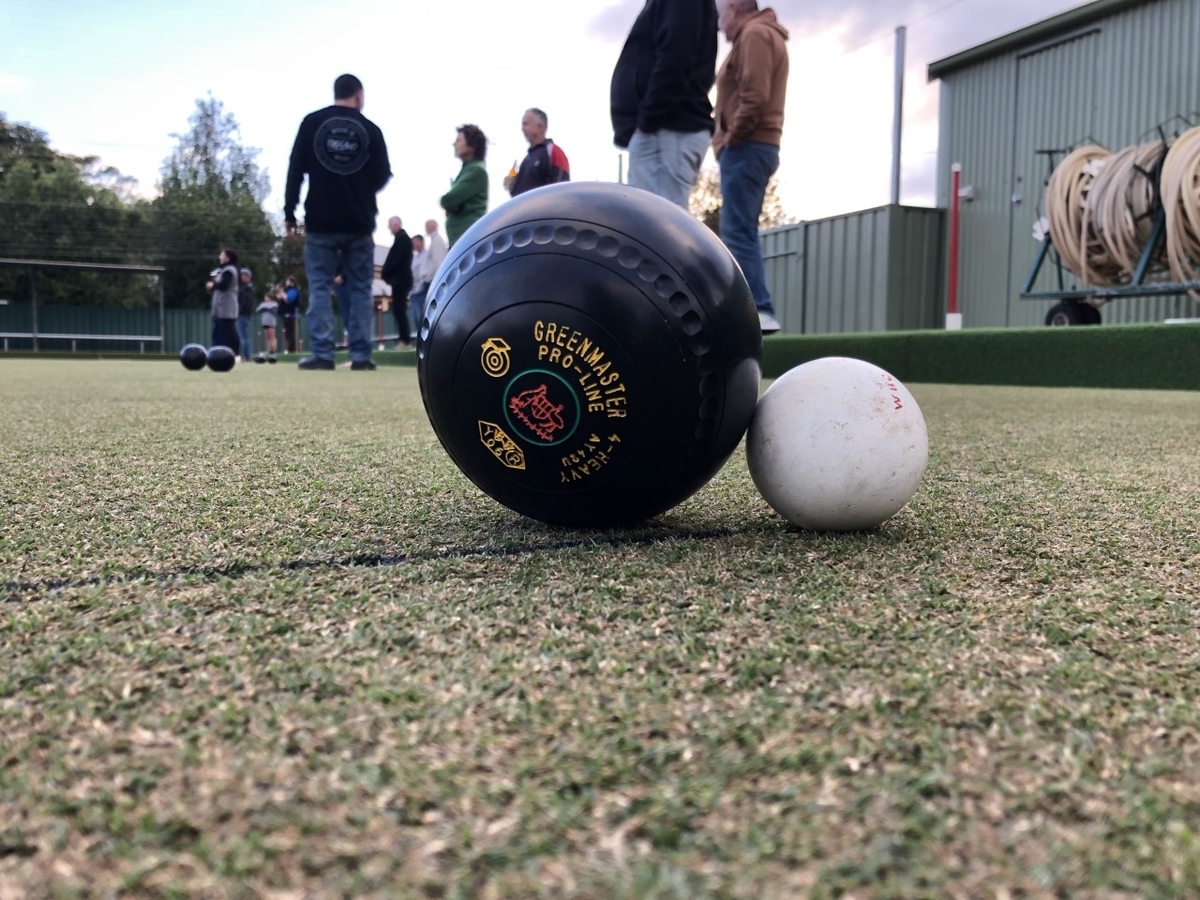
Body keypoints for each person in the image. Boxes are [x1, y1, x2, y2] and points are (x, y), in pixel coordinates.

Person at [284, 73, 392, 370]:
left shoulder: (311, 123)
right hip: (359, 221)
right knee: (360, 289)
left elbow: (296, 169)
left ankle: (322, 354)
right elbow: (383, 173)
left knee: (319, 287)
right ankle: (360, 356)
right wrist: (361, 188)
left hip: (320, 221)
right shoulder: (370, 130)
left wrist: (289, 212)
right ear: (359, 97)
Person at [713, 0, 789, 335]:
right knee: (741, 231)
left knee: (737, 232)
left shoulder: (755, 34)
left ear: (734, 6)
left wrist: (731, 137)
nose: (719, 25)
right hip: (755, 145)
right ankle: (755, 309)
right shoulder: (760, 33)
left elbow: (755, 96)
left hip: (748, 146)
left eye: (721, 15)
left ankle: (758, 309)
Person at [610, 0, 717, 209]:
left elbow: (676, 56)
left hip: (663, 132)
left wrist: (647, 122)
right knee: (654, 228)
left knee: (656, 230)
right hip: (661, 133)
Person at [503, 108, 570, 197]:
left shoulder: (553, 151)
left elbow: (562, 189)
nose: (522, 128)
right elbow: (520, 194)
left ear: (540, 126)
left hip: (544, 210)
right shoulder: (527, 159)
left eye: (526, 124)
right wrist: (512, 185)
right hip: (524, 210)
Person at [441, 124, 488, 247]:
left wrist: (450, 205)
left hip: (466, 241)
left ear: (472, 145)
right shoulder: (467, 170)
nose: (454, 144)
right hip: (461, 240)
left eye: (458, 140)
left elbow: (447, 200)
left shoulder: (476, 171)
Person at [380, 216, 414, 348]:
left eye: (390, 226)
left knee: (399, 310)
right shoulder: (402, 239)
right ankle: (404, 339)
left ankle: (404, 340)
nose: (389, 229)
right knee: (398, 310)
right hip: (400, 280)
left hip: (401, 280)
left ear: (395, 225)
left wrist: (386, 272)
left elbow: (395, 260)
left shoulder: (402, 239)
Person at [205, 248, 240, 356]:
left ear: (227, 257)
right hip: (221, 309)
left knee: (228, 332)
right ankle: (216, 353)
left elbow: (224, 285)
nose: (219, 257)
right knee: (219, 333)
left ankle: (234, 354)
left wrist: (213, 285)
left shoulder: (229, 270)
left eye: (221, 255)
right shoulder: (225, 270)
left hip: (227, 308)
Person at [236, 267, 255, 360]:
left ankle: (246, 356)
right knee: (242, 336)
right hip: (243, 314)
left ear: (248, 277)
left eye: (243, 275)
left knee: (243, 336)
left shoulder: (247, 288)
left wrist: (238, 310)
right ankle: (244, 355)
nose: (241, 276)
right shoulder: (243, 287)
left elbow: (245, 303)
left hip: (243, 315)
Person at [255, 289, 279, 363]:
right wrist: (263, 309)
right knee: (267, 337)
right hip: (265, 322)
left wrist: (267, 309)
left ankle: (273, 350)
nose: (266, 298)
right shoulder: (263, 304)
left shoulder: (274, 303)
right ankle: (269, 350)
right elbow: (257, 310)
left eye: (267, 297)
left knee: (272, 336)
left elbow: (274, 310)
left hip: (271, 322)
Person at [409, 233, 426, 333]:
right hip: (414, 292)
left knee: (423, 316)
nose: (413, 245)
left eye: (415, 242)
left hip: (423, 290)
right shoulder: (414, 258)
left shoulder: (427, 255)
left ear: (421, 242)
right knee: (416, 318)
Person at [279, 276, 301, 353]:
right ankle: (289, 348)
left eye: (287, 281)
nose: (286, 283)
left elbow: (288, 300)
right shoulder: (288, 291)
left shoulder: (293, 291)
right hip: (286, 315)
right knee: (287, 333)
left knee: (291, 333)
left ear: (292, 282)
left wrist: (282, 292)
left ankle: (292, 349)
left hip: (291, 315)